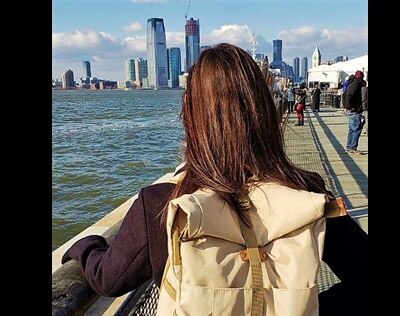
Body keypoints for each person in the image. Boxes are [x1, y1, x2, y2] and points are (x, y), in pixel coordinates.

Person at [61, 43, 368, 315]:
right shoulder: (307, 195)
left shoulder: (162, 204)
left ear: (192, 118)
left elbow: (108, 279)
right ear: (263, 111)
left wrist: (84, 245)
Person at [343, 70, 365, 155]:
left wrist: (346, 106)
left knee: (352, 129)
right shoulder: (356, 84)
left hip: (352, 109)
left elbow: (345, 94)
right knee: (357, 129)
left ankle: (349, 147)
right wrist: (349, 106)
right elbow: (348, 95)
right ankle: (353, 147)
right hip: (355, 109)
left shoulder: (351, 83)